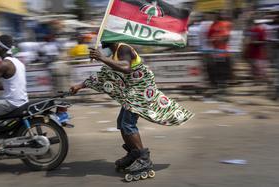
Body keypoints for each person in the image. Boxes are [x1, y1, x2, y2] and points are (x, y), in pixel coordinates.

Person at [70, 42, 194, 178]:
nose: (101, 41)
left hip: (141, 91)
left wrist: (102, 58)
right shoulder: (114, 54)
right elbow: (103, 76)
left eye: (104, 37)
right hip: (133, 93)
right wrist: (79, 86)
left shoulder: (123, 48)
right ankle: (133, 154)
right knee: (121, 122)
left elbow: (126, 68)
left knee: (128, 124)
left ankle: (143, 159)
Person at [207, 11, 233, 93]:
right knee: (216, 69)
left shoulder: (223, 24)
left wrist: (217, 40)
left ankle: (222, 87)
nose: (211, 17)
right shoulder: (212, 26)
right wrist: (212, 40)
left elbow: (227, 37)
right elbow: (209, 38)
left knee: (222, 69)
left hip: (223, 51)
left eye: (213, 15)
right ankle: (218, 86)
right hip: (216, 51)